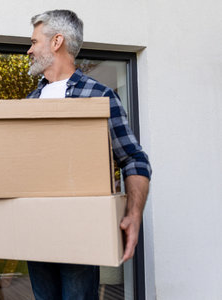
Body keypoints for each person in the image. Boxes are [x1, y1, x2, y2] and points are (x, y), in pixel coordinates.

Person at [25, 10, 152, 300]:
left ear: (57, 41)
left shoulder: (99, 96)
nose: (29, 49)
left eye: (34, 41)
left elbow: (134, 159)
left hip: (79, 229)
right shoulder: (30, 101)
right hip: (35, 229)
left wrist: (133, 215)